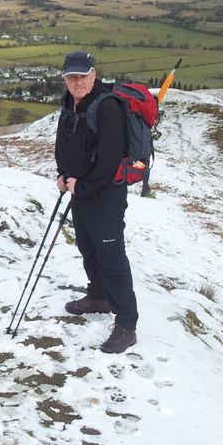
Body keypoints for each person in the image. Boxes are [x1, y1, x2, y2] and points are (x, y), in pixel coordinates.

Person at [54, 50, 138, 354]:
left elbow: (109, 159)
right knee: (88, 247)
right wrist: (63, 174)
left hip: (106, 196)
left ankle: (127, 324)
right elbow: (64, 143)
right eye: (72, 77)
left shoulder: (107, 108)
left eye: (83, 75)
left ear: (94, 74)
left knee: (112, 256)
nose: (77, 82)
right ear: (65, 78)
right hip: (81, 192)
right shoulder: (70, 103)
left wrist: (83, 185)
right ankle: (99, 297)